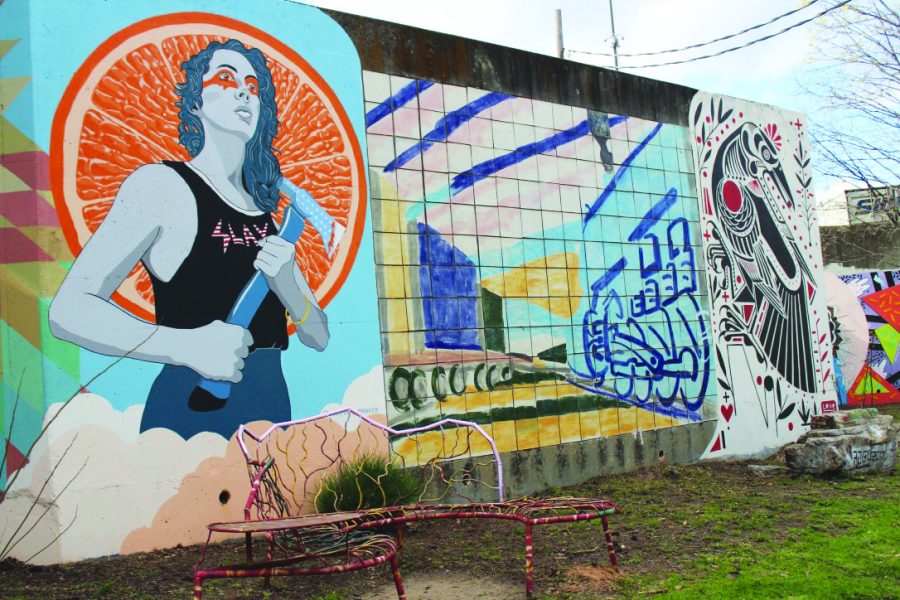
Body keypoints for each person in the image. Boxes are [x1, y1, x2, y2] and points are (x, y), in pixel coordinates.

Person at [49, 39, 329, 439]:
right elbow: (69, 310)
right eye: (227, 79)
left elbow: (317, 337)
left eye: (253, 86)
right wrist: (186, 347)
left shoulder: (266, 211)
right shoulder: (163, 187)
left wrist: (289, 288)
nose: (244, 92)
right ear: (195, 102)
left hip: (271, 413)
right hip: (193, 410)